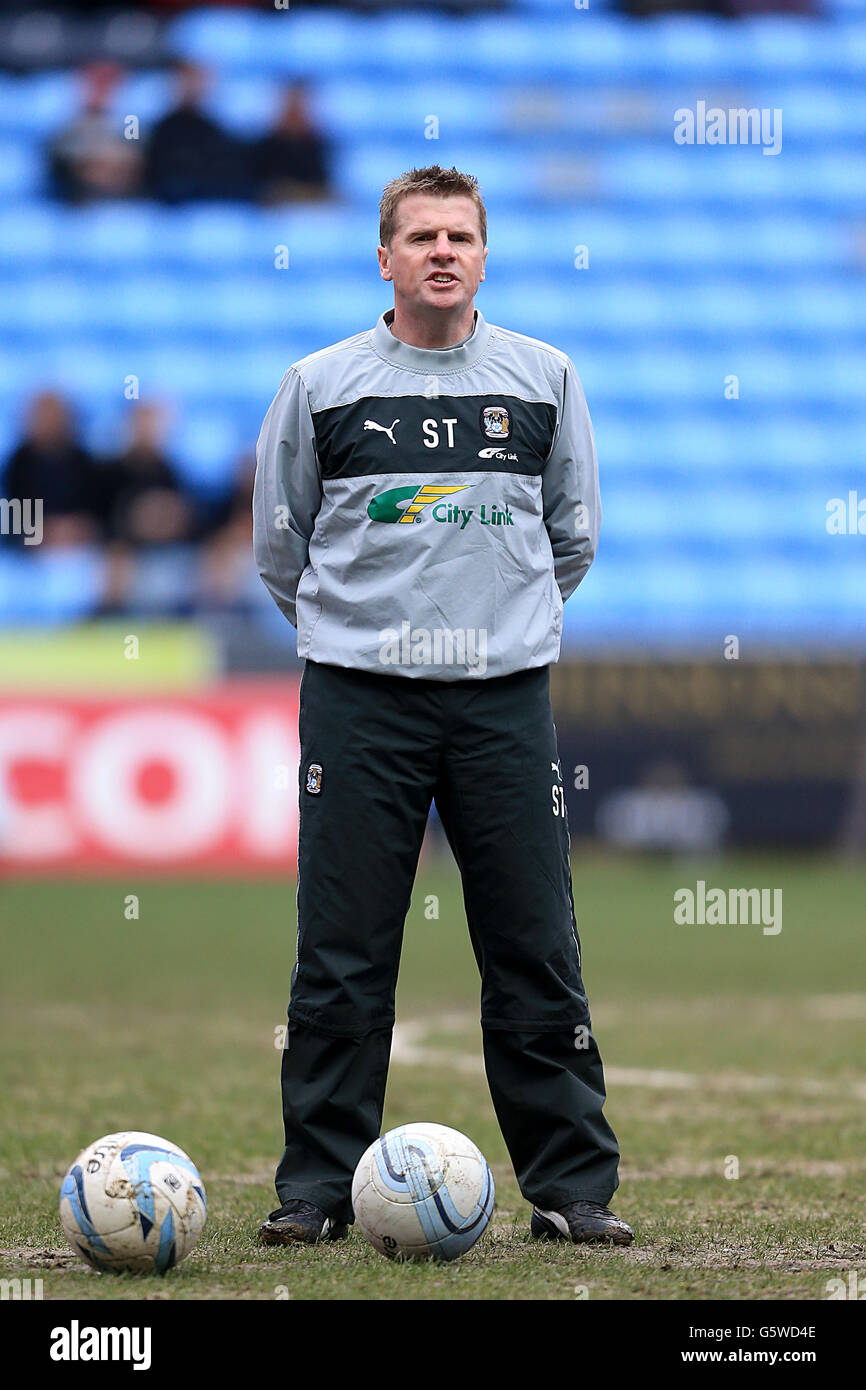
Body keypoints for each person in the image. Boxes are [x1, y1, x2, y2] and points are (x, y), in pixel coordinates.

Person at [253, 165, 633, 1249]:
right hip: (358, 700)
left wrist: (495, 629)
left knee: (532, 942)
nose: (440, 251)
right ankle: (317, 1190)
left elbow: (572, 534)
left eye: (459, 235)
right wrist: (362, 637)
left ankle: (571, 1189)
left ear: (481, 253)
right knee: (340, 948)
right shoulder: (318, 384)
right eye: (419, 235)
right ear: (383, 257)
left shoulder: (543, 377)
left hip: (501, 701)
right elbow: (281, 548)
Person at [253, 82, 331, 205]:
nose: (295, 113)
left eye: (300, 107)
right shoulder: (261, 149)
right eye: (290, 107)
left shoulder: (320, 148)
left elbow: (325, 190)